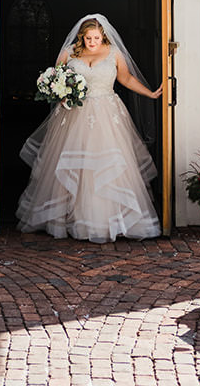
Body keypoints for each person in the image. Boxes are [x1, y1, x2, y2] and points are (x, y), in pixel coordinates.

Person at [16, 12, 163, 241]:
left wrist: (150, 93)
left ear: (102, 35)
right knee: (74, 165)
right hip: (76, 114)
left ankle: (106, 222)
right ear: (81, 37)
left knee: (107, 165)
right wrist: (61, 95)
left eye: (96, 38)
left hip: (107, 114)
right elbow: (55, 79)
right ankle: (72, 219)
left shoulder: (113, 53)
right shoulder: (69, 53)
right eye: (88, 39)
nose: (92, 43)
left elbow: (125, 79)